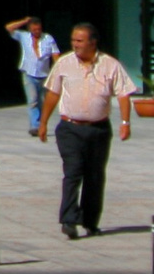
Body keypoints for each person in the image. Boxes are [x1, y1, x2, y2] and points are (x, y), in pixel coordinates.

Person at [37, 21, 136, 238]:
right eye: (73, 40)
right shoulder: (64, 64)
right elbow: (53, 93)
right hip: (70, 128)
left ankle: (91, 222)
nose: (75, 45)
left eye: (80, 41)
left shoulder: (110, 65)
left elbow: (123, 94)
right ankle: (69, 219)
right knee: (73, 171)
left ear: (93, 42)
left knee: (95, 176)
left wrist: (125, 123)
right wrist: (43, 122)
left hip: (98, 129)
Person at [4, 14, 60, 133]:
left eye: (39, 29)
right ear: (30, 29)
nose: (37, 31)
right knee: (33, 100)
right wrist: (24, 21)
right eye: (34, 29)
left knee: (42, 101)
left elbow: (55, 54)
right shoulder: (24, 36)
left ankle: (41, 123)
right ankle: (35, 125)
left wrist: (57, 70)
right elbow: (9, 28)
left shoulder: (48, 38)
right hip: (28, 74)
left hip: (44, 75)